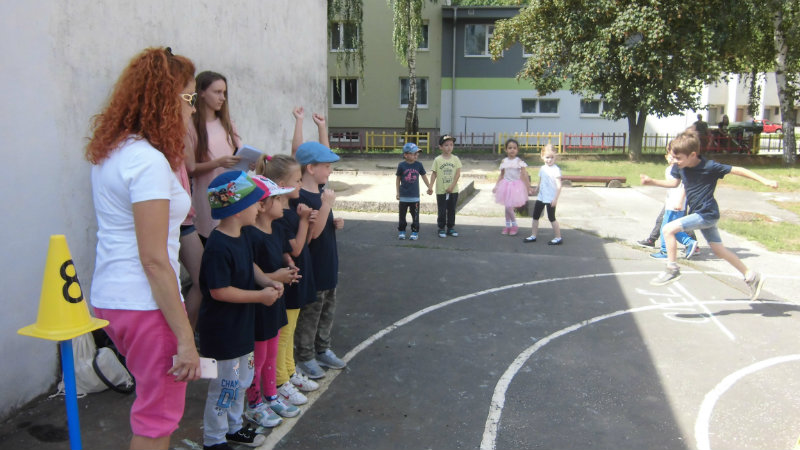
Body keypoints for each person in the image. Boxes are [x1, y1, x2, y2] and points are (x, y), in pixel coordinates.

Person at [86, 47, 200, 450]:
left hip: (113, 298)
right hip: (146, 304)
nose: (193, 108)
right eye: (189, 97)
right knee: (157, 421)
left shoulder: (113, 152)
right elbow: (153, 260)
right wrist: (185, 339)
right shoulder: (146, 161)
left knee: (151, 409)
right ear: (166, 99)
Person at [198, 171, 283, 450]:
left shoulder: (242, 235)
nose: (259, 206)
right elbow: (219, 291)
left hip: (242, 329)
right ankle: (214, 439)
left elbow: (250, 265)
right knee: (226, 385)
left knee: (242, 380)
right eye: (254, 202)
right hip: (224, 334)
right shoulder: (218, 246)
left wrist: (267, 281)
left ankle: (234, 428)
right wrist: (260, 297)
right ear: (237, 210)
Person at [640, 130, 778, 298]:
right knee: (719, 250)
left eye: (678, 158)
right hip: (700, 213)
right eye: (673, 157)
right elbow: (674, 183)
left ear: (692, 155)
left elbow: (739, 170)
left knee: (668, 229)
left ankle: (672, 268)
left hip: (707, 213)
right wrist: (652, 181)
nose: (674, 161)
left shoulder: (709, 167)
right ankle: (751, 276)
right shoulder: (680, 167)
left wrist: (765, 181)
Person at [260, 155, 321, 399]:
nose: (300, 184)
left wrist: (308, 222)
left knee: (290, 330)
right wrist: (304, 220)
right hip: (289, 280)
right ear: (281, 185)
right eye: (297, 180)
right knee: (284, 334)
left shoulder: (291, 209)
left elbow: (305, 242)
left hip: (297, 276)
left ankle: (289, 371)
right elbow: (294, 249)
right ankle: (280, 380)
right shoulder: (280, 216)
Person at [243, 175, 299, 428]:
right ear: (262, 205)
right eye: (277, 199)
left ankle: (271, 395)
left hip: (275, 302)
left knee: (271, 354)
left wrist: (289, 266)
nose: (283, 203)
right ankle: (254, 403)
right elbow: (247, 272)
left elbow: (283, 255)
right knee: (257, 358)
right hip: (259, 305)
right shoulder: (249, 235)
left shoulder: (276, 229)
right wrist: (276, 277)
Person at [292, 141, 347, 379]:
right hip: (312, 267)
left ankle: (322, 349)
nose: (330, 171)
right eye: (326, 166)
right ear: (311, 168)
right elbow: (312, 235)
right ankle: (305, 356)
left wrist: (334, 222)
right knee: (311, 313)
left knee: (327, 309)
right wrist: (326, 207)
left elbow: (322, 226)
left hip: (328, 264)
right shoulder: (300, 198)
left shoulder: (321, 193)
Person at [185, 71, 242, 240]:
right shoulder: (190, 126)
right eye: (217, 92)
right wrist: (218, 163)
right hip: (207, 198)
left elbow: (238, 152)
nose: (222, 98)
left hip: (233, 193)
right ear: (201, 93)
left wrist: (248, 161)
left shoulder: (227, 123)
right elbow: (190, 168)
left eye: (224, 93)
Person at [648, 147, 698, 260]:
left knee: (666, 228)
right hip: (670, 203)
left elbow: (685, 186)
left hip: (676, 204)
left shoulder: (681, 169)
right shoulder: (670, 169)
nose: (671, 158)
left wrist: (680, 202)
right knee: (669, 229)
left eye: (674, 156)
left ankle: (670, 249)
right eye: (669, 155)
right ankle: (688, 242)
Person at [524, 144, 563, 245]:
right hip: (541, 197)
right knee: (535, 216)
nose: (549, 160)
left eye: (552, 157)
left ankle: (558, 237)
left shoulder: (556, 169)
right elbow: (540, 181)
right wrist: (536, 189)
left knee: (551, 218)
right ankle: (533, 235)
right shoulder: (542, 168)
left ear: (555, 157)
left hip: (550, 198)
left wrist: (555, 199)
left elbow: (559, 186)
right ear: (542, 156)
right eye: (547, 157)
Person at [493, 138, 532, 236]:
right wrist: (496, 186)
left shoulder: (519, 161)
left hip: (515, 186)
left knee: (509, 207)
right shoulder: (504, 161)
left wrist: (528, 187)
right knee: (507, 207)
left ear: (517, 150)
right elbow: (502, 175)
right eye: (510, 148)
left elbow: (524, 174)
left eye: (514, 148)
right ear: (506, 149)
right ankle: (507, 226)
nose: (512, 150)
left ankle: (514, 225)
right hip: (505, 185)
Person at [428, 134, 462, 238]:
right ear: (440, 147)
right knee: (442, 210)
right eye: (446, 145)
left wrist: (452, 186)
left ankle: (450, 228)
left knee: (451, 210)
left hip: (453, 190)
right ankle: (441, 228)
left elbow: (457, 174)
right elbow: (434, 174)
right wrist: (430, 186)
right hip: (441, 190)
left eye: (451, 145)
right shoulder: (438, 160)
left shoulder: (455, 159)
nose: (449, 147)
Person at [396, 142, 431, 240]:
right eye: (413, 153)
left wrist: (429, 187)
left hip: (415, 197)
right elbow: (398, 179)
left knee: (415, 216)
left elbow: (424, 176)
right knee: (402, 216)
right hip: (404, 196)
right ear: (406, 155)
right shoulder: (401, 165)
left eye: (417, 153)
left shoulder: (419, 165)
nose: (416, 155)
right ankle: (402, 231)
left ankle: (415, 231)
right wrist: (398, 193)